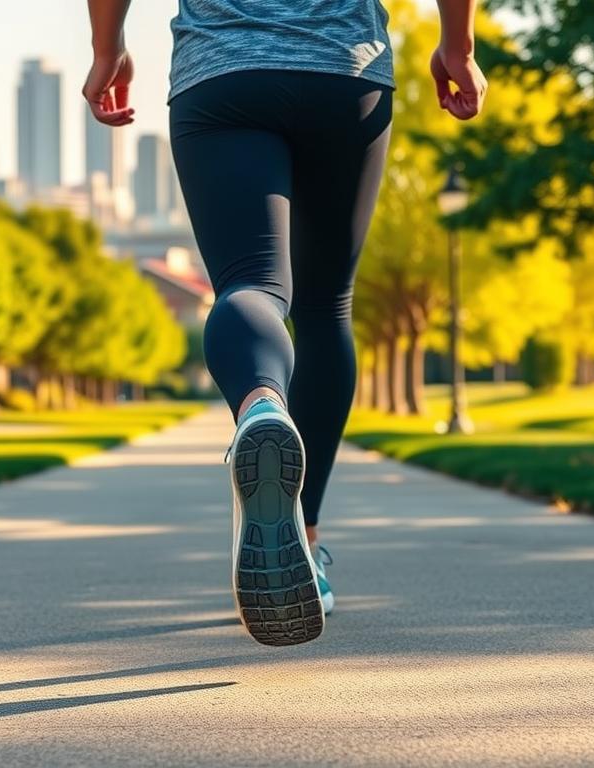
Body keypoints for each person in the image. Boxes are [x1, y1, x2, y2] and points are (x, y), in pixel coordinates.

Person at [84, 0, 486, 646]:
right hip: (343, 71)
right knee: (326, 308)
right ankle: (307, 536)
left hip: (222, 71)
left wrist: (108, 46)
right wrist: (458, 47)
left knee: (251, 286)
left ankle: (262, 406)